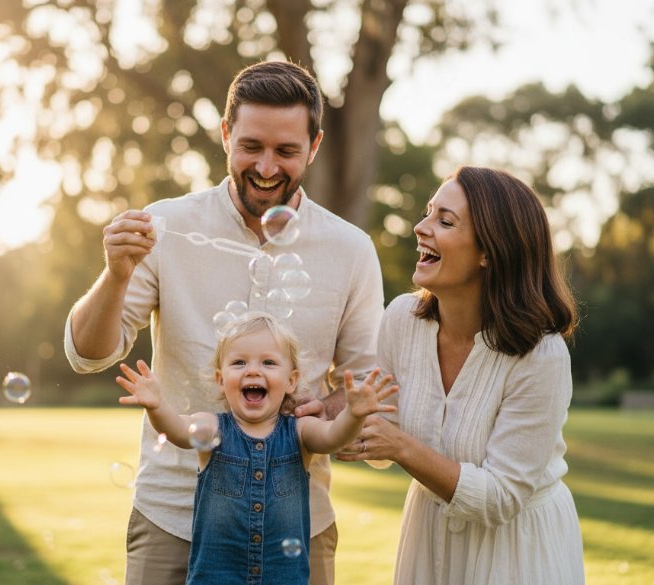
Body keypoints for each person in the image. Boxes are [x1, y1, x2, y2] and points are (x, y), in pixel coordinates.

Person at [63, 59, 384, 585]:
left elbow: (362, 381)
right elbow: (89, 353)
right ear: (225, 134)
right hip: (173, 515)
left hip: (296, 521)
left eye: (286, 151)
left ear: (316, 145)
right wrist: (115, 273)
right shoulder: (166, 226)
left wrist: (323, 408)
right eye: (251, 146)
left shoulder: (350, 250)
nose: (266, 167)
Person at [337, 166, 585, 584]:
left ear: (489, 251)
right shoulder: (401, 318)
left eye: (444, 221)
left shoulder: (542, 354)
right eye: (428, 213)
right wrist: (324, 417)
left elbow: (502, 497)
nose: (420, 227)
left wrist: (401, 447)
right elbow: (381, 433)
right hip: (428, 537)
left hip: (515, 549)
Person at [115, 312, 397, 584]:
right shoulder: (212, 427)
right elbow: (176, 429)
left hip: (284, 577)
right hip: (215, 578)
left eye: (268, 363)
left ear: (291, 381)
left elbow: (334, 436)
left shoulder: (300, 430)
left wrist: (354, 414)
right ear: (220, 380)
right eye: (239, 362)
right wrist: (156, 405)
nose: (253, 370)